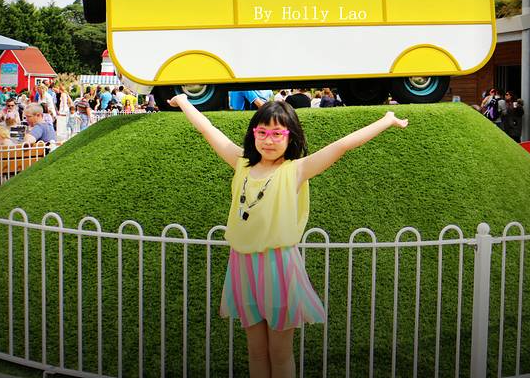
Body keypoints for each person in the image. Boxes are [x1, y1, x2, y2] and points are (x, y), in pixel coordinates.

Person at [168, 94, 408, 377]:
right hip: (242, 265)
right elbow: (207, 129)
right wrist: (183, 101)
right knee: (256, 351)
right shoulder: (241, 163)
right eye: (262, 132)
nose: (268, 140)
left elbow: (342, 145)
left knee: (280, 353)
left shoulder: (296, 170)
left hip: (278, 267)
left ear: (290, 136)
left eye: (277, 133)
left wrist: (386, 120)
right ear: (253, 134)